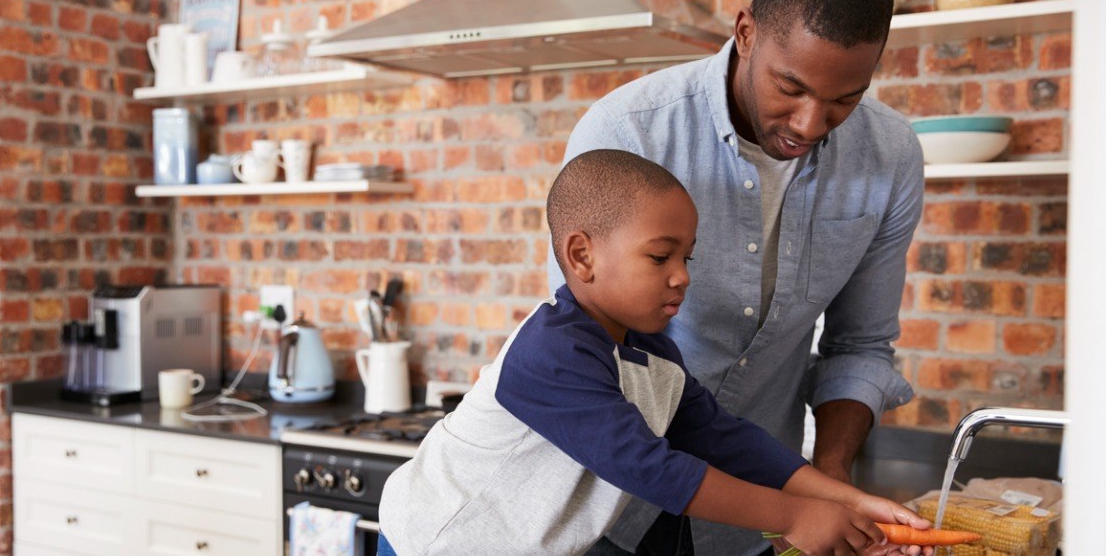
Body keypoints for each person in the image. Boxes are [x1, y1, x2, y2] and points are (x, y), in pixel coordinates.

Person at [548, 0, 926, 555]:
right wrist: (797, 510)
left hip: (751, 528)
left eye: (844, 100)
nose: (810, 124)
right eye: (791, 87)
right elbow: (604, 390)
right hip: (603, 517)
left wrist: (834, 491)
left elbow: (858, 345)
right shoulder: (627, 134)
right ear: (746, 31)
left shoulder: (889, 159)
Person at [377, 150, 933, 556]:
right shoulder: (551, 352)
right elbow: (650, 468)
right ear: (582, 256)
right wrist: (797, 516)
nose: (681, 278)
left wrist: (849, 502)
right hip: (434, 544)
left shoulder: (653, 355)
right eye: (660, 257)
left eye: (687, 258)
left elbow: (723, 440)